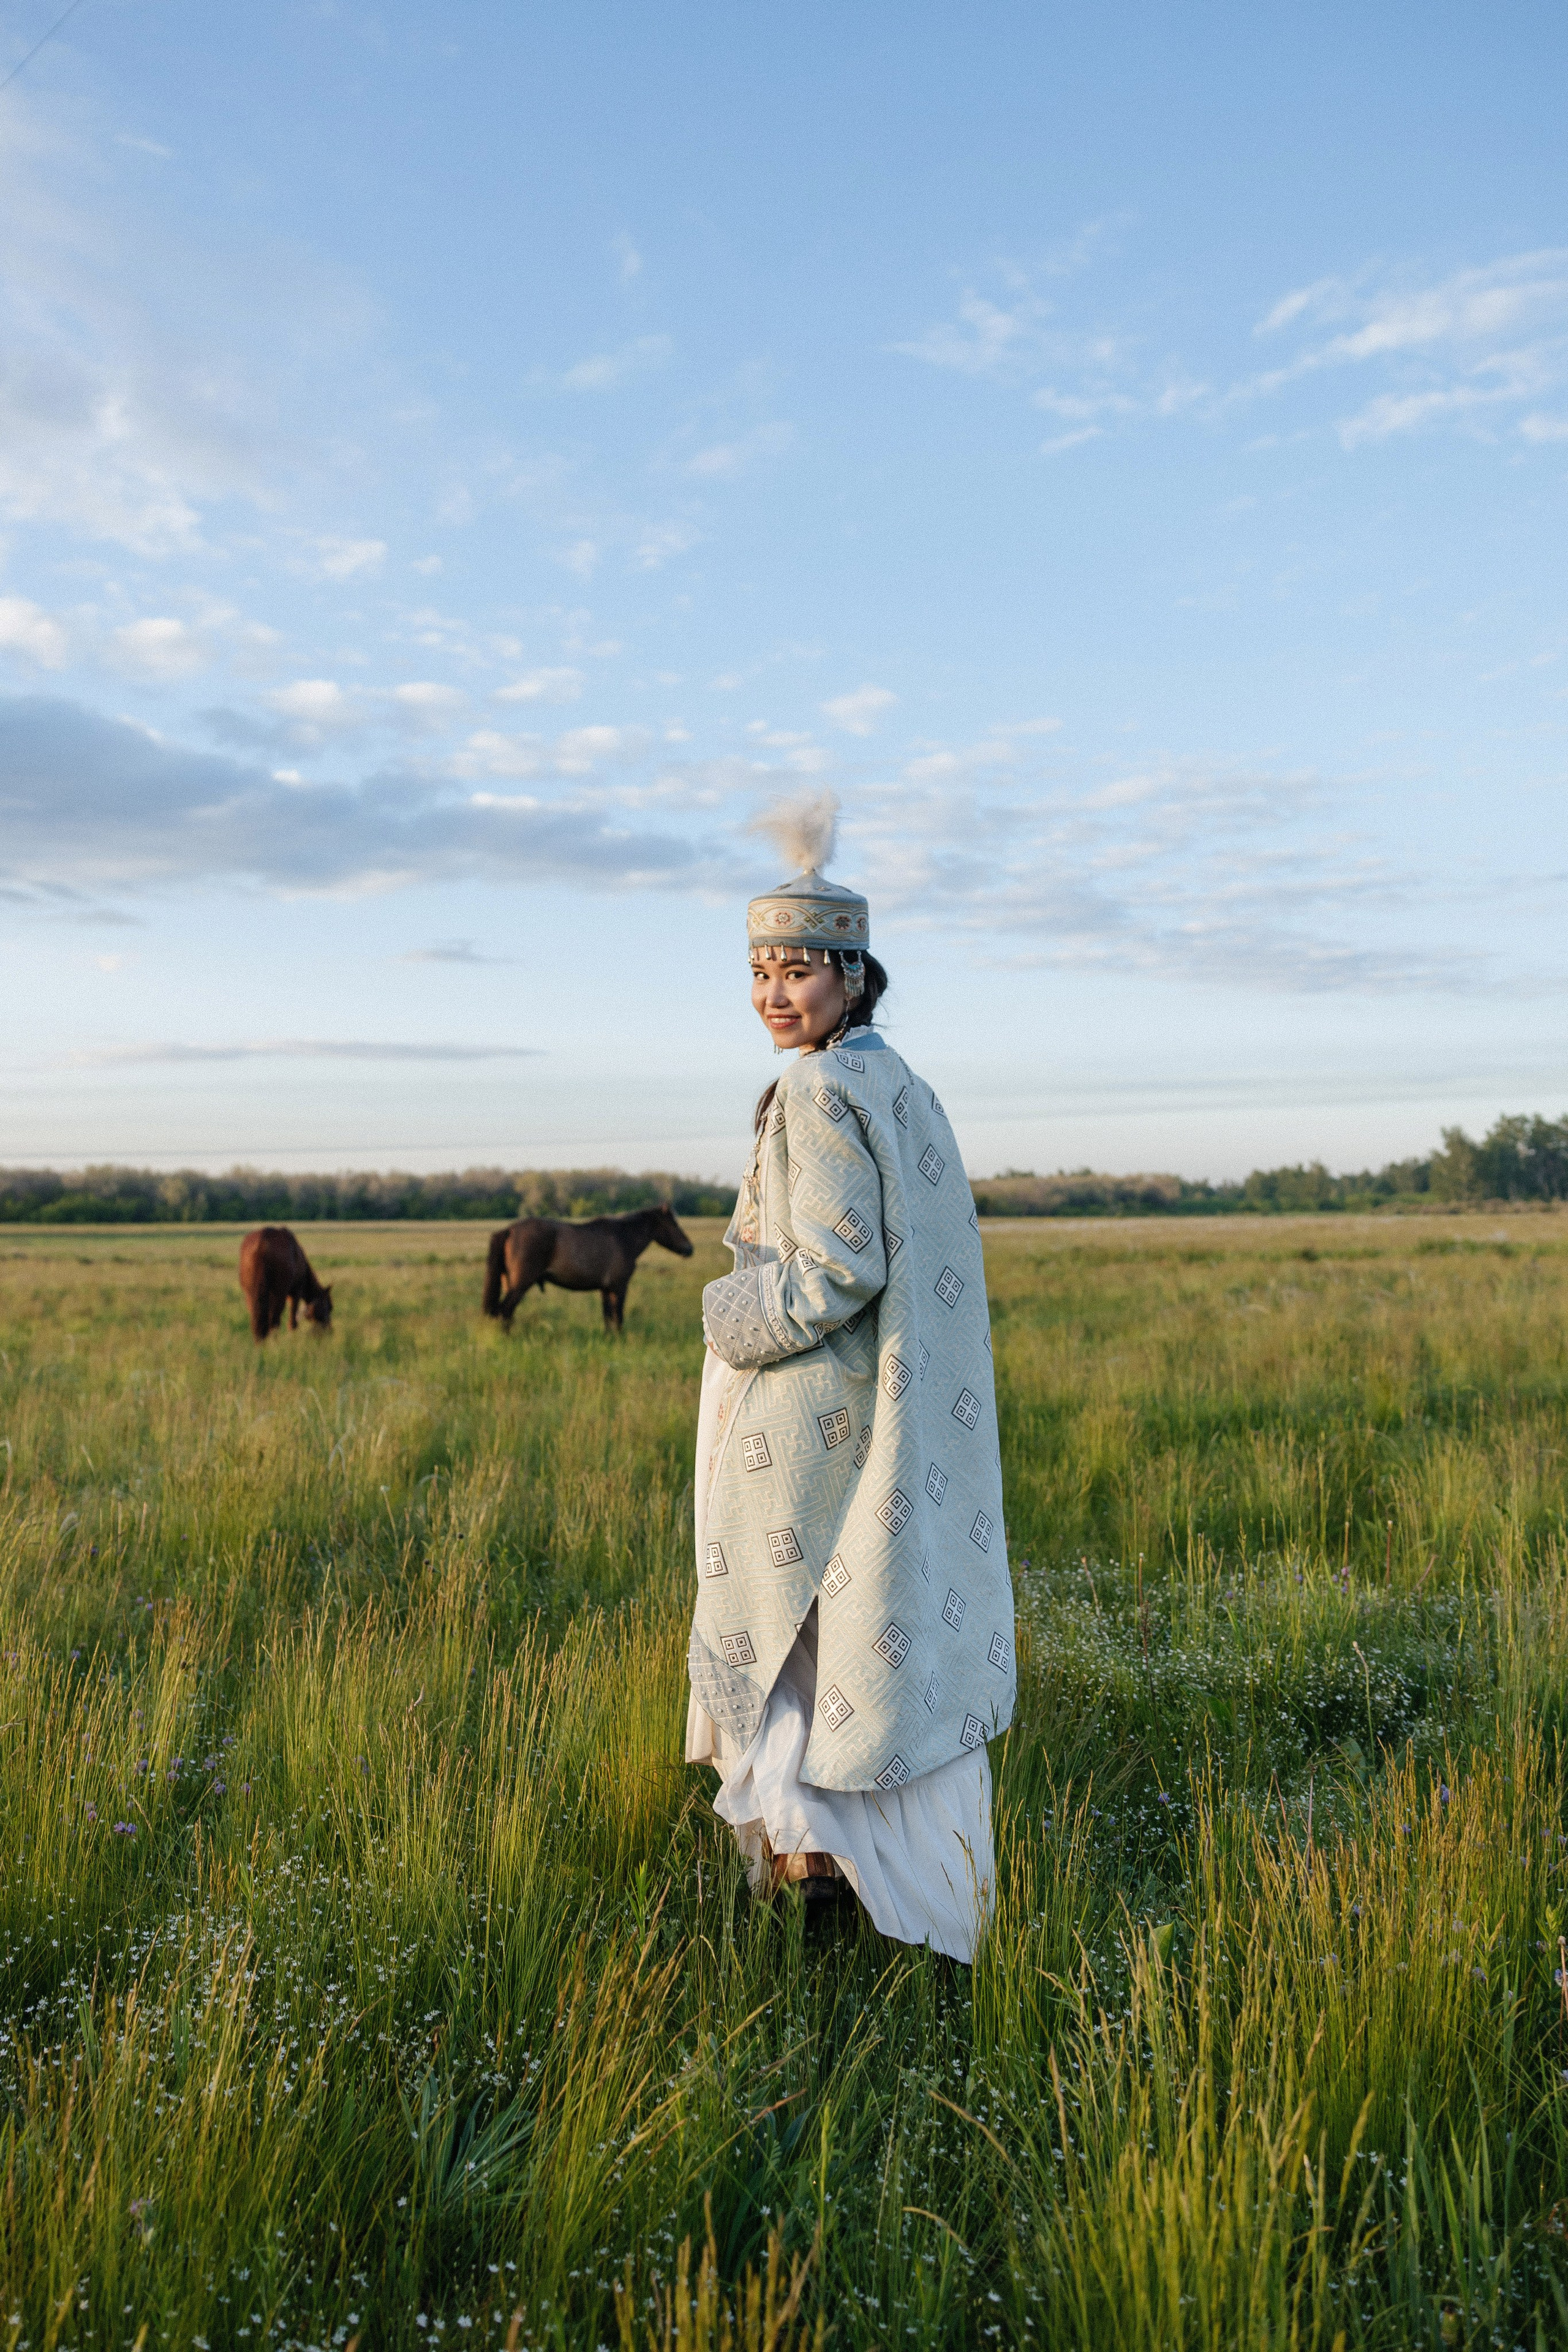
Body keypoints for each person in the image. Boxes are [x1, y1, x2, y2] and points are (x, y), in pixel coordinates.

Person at [686, 794, 1016, 1962]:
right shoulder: (902, 1084)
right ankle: (871, 1880)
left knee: (795, 1641)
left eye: (801, 971)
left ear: (854, 977)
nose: (777, 993)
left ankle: (817, 1880)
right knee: (863, 1642)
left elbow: (830, 1274)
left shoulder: (820, 1092)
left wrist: (729, 1313)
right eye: (762, 972)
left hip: (819, 1418)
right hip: (891, 1415)